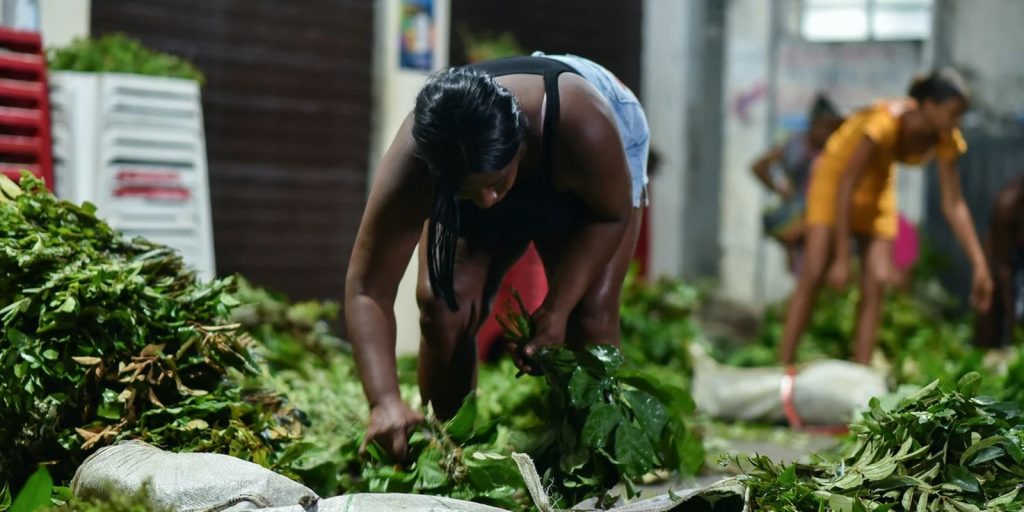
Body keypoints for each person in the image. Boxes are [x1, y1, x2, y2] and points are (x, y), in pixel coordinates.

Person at [344, 53, 649, 460]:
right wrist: (383, 402)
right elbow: (369, 288)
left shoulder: (580, 125)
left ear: (520, 145)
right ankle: (452, 452)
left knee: (589, 318)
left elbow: (610, 217)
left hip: (594, 145)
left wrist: (556, 309)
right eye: (473, 193)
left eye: (497, 184)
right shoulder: (418, 159)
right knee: (442, 309)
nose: (488, 203)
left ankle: (597, 466)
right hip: (483, 165)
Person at [778, 68, 994, 366]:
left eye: (960, 116)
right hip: (835, 180)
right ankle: (783, 364)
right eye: (952, 113)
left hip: (878, 185)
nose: (956, 123)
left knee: (876, 280)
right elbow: (846, 185)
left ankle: (861, 370)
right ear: (929, 105)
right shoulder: (883, 122)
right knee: (815, 270)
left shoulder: (945, 138)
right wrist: (842, 256)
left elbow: (954, 203)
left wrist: (979, 263)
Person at [753, 95, 843, 271]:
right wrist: (781, 191)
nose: (827, 133)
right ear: (815, 124)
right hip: (801, 209)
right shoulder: (795, 146)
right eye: (825, 127)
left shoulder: (832, 149)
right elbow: (759, 166)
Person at [976, 176, 1024, 348]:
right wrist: (1012, 318)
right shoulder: (1007, 205)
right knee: (991, 309)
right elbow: (1002, 267)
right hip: (1002, 259)